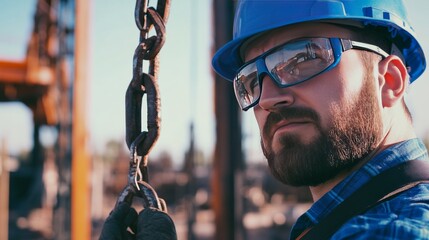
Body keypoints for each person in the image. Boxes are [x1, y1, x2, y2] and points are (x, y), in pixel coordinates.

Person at [212, 0, 429, 239]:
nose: (267, 99)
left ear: (389, 81)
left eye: (303, 59)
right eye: (251, 80)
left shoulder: (395, 230)